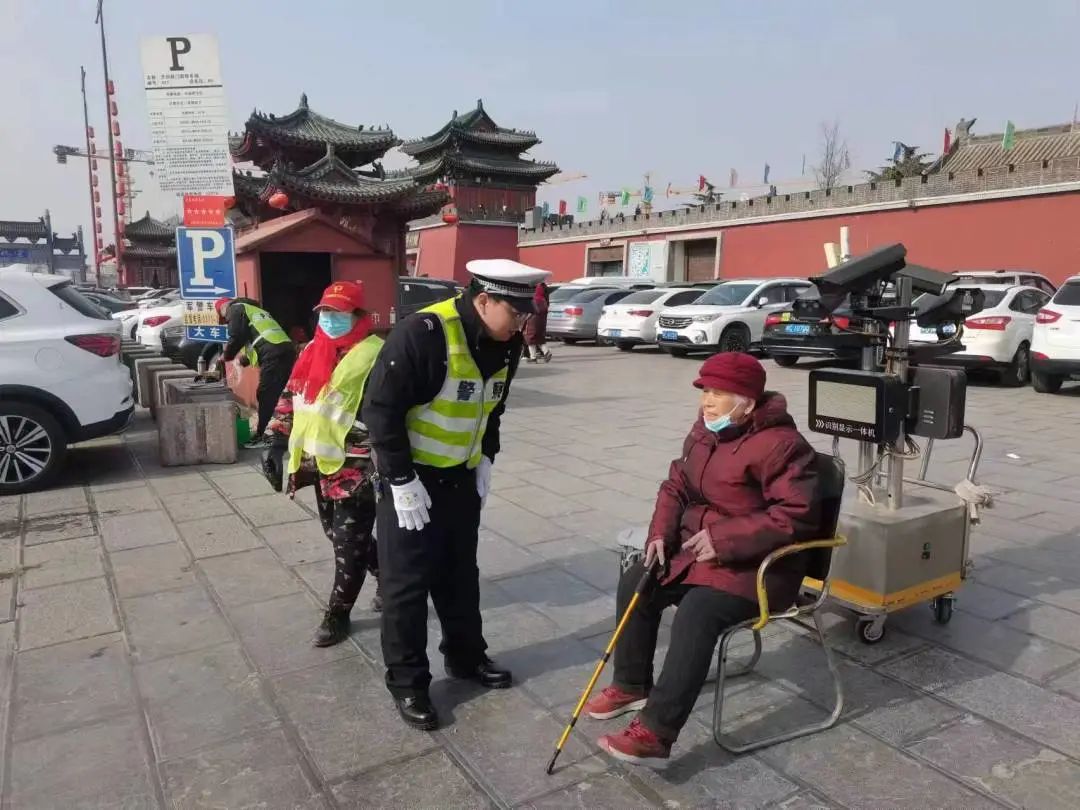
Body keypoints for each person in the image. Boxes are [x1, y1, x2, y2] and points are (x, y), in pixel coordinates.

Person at [584, 352, 821, 766]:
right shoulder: (706, 433)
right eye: (705, 391)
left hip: (758, 569)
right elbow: (675, 485)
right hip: (698, 553)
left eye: (719, 393)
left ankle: (656, 732)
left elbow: (796, 516)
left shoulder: (783, 446)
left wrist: (727, 539)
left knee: (697, 612)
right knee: (639, 577)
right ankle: (632, 684)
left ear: (747, 401)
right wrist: (660, 533)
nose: (707, 401)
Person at [361, 258, 549, 731]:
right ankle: (408, 684)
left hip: (461, 481)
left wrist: (487, 456)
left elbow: (494, 409)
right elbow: (380, 410)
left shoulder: (505, 345)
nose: (522, 325)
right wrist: (400, 480)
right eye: (516, 313)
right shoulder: (424, 333)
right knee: (406, 587)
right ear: (483, 301)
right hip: (413, 484)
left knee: (460, 577)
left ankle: (466, 659)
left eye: (527, 316)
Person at [262, 281, 384, 646]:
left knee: (347, 542)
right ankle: (391, 577)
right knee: (337, 533)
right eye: (325, 313)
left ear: (358, 315)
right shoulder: (312, 349)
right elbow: (291, 394)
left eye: (339, 313)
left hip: (359, 465)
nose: (330, 319)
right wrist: (275, 439)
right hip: (318, 461)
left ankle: (337, 615)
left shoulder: (376, 353)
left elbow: (391, 408)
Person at [212, 296, 296, 447]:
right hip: (285, 350)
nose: (226, 320)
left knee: (266, 393)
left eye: (224, 318)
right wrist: (241, 360)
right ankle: (282, 430)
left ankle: (262, 435)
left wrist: (226, 356)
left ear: (223, 309)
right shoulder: (254, 310)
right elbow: (259, 341)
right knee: (282, 394)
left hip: (273, 354)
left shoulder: (234, 309)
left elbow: (236, 336)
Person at [523, 282, 552, 363]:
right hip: (542, 322)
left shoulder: (534, 299)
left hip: (533, 321)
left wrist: (525, 319)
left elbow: (530, 311)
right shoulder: (543, 300)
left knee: (530, 339)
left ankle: (533, 358)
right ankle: (546, 352)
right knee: (539, 338)